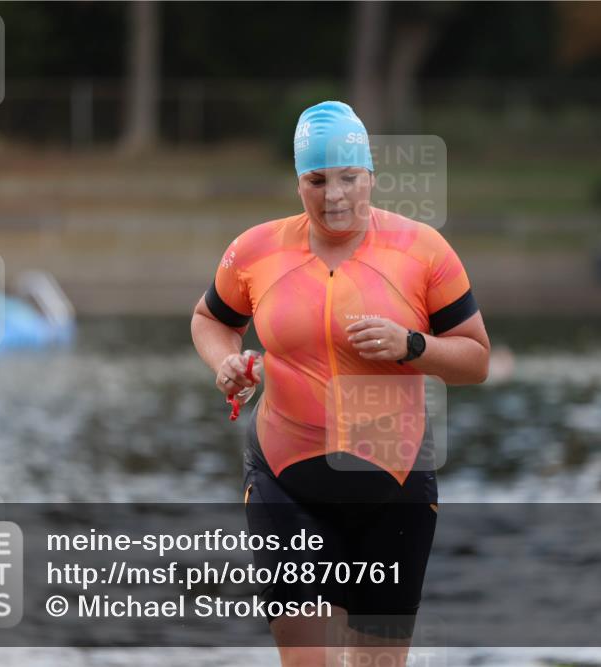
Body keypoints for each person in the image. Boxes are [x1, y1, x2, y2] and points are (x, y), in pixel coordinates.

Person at [191, 101, 489, 667]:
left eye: (349, 178)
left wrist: (413, 345)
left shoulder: (422, 250)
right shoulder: (257, 250)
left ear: (372, 176)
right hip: (286, 483)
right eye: (316, 180)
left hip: (393, 485)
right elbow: (210, 320)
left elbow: (476, 360)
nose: (334, 196)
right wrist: (225, 363)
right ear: (297, 180)